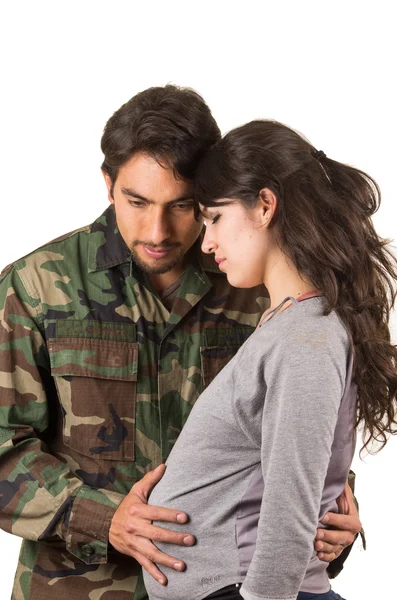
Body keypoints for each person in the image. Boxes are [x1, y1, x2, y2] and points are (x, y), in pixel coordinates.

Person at [0, 87, 360, 600]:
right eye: (137, 201)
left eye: (185, 206)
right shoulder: (37, 286)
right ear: (108, 185)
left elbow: (300, 435)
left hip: (229, 584)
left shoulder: (257, 283)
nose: (158, 230)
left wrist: (338, 518)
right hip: (77, 587)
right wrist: (105, 518)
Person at [143, 120, 397, 600]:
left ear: (264, 205)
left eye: (214, 218)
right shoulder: (288, 325)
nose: (207, 242)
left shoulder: (304, 337)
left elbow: (290, 506)